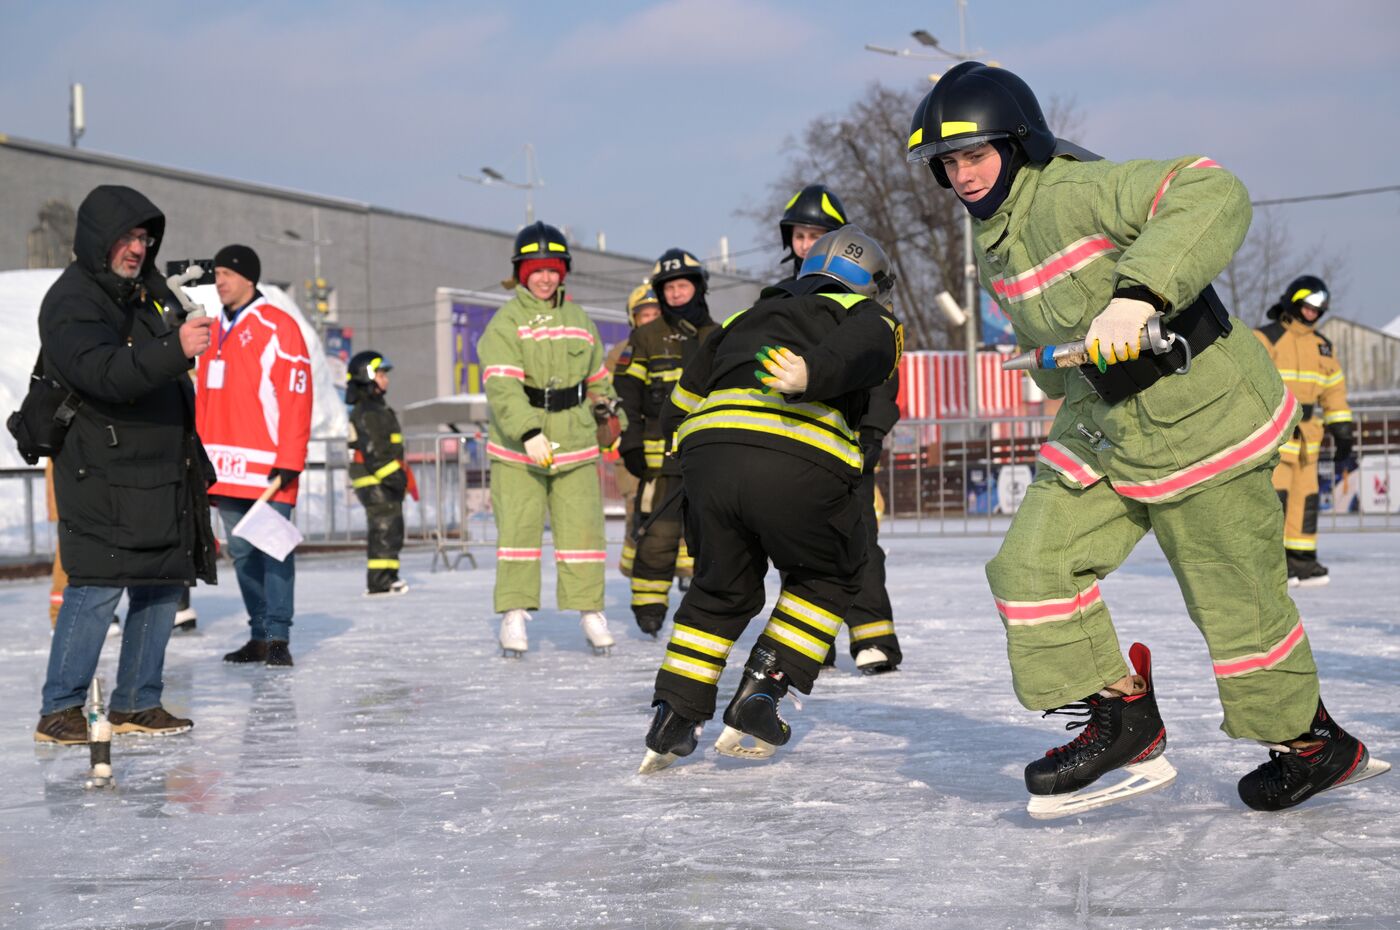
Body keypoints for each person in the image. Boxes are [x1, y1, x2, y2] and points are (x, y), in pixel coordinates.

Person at [907, 61, 1386, 816]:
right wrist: (1047, 366)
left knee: (1235, 606)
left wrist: (1138, 295)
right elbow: (1074, 336)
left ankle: (1312, 744)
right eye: (949, 163)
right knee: (1029, 567)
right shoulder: (993, 238)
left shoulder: (1072, 189)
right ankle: (1123, 714)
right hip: (1106, 424)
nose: (963, 175)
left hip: (1203, 420)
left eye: (976, 155)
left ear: (1020, 142)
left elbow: (1210, 189)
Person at [639, 226, 902, 773]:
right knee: (829, 574)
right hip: (797, 460)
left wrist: (689, 462)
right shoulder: (869, 316)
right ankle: (763, 690)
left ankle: (674, 714)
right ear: (870, 284)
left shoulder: (739, 319)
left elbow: (680, 403)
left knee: (719, 588)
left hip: (709, 458)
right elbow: (867, 352)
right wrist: (813, 374)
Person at [34, 184, 217, 744]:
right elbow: (102, 371)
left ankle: (137, 701)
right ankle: (59, 710)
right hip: (102, 468)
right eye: (125, 236)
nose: (137, 248)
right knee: (98, 581)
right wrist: (176, 347)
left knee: (163, 579)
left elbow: (163, 351)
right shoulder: (72, 300)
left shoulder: (146, 292)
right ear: (97, 238)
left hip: (159, 462)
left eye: (143, 236)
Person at [778, 184, 903, 674]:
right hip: (794, 439)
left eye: (816, 235)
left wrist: (872, 432)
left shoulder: (864, 296)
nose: (806, 244)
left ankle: (874, 638)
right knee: (795, 540)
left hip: (849, 437)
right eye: (799, 235)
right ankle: (812, 640)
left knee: (858, 537)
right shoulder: (780, 298)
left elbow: (882, 369)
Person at [478, 221, 618, 657]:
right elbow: (501, 385)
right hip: (519, 447)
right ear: (521, 273)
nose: (545, 277)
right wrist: (528, 430)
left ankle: (590, 611)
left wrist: (610, 412)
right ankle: (514, 616)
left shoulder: (579, 320)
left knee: (584, 533)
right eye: (536, 269)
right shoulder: (506, 322)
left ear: (564, 272)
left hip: (574, 440)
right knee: (518, 531)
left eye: (553, 269)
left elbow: (598, 378)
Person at [195, 245, 313, 668]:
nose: (220, 280)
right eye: (218, 273)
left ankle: (278, 635)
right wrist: (199, 459)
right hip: (224, 469)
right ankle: (259, 634)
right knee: (243, 552)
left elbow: (297, 395)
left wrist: (290, 457)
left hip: (269, 466)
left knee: (274, 549)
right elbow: (202, 400)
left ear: (249, 277)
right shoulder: (208, 329)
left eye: (227, 272)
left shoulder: (278, 326)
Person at [615, 248, 716, 637]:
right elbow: (626, 394)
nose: (675, 293)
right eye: (668, 287)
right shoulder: (645, 338)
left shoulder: (718, 335)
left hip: (707, 456)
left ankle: (706, 607)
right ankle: (648, 607)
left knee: (710, 535)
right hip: (658, 458)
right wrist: (632, 442)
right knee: (657, 534)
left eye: (682, 285)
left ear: (698, 287)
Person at [1255, 276, 1354, 587]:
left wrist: (1343, 429)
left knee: (1306, 500)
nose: (1313, 312)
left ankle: (1302, 561)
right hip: (1275, 434)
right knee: (1275, 500)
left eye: (1319, 307)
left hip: (1308, 438)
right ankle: (1272, 565)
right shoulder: (1266, 338)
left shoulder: (1322, 346)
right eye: (1309, 305)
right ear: (1293, 302)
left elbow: (1334, 391)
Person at [346, 350, 410, 596]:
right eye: (381, 375)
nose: (386, 380)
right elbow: (375, 452)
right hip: (375, 479)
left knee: (391, 526)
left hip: (383, 478)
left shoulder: (377, 408)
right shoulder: (367, 411)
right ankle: (379, 581)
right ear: (367, 376)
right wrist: (395, 477)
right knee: (384, 527)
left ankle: (388, 577)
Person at [610, 284, 661, 580]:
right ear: (633, 319)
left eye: (657, 314)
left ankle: (683, 571)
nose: (651, 320)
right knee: (637, 512)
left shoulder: (675, 345)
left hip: (667, 446)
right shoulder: (621, 354)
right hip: (634, 446)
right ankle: (638, 574)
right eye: (645, 315)